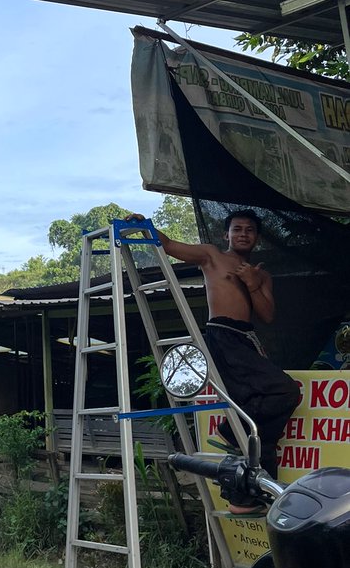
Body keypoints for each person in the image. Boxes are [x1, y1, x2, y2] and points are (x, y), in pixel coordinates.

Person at [127, 208, 301, 496]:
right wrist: (145, 226)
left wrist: (253, 284)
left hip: (246, 337)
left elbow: (267, 315)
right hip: (223, 335)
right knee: (285, 391)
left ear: (256, 237)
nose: (243, 234)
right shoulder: (212, 255)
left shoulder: (262, 275)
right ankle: (230, 432)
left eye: (249, 230)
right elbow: (169, 245)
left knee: (259, 426)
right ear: (227, 235)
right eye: (237, 229)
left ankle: (250, 496)